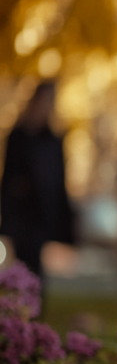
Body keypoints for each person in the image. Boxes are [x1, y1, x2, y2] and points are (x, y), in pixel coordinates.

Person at [0, 81, 75, 296]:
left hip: (42, 212)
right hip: (20, 212)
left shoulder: (53, 139)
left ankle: (34, 305)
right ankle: (19, 305)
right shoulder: (18, 136)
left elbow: (59, 181)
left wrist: (65, 218)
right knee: (21, 262)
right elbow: (8, 177)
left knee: (37, 264)